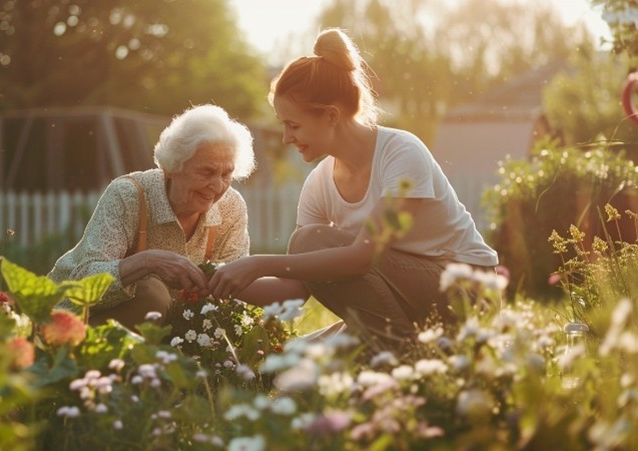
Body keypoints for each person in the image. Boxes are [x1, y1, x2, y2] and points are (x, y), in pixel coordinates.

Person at [208, 28, 498, 348]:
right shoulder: (319, 183)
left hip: (467, 294)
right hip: (402, 303)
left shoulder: (401, 153)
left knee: (310, 240)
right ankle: (389, 347)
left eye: (294, 124)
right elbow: (297, 288)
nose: (286, 138)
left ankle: (403, 352)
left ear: (331, 116)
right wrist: (213, 276)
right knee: (291, 370)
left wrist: (260, 262)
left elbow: (363, 256)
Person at [48, 104, 255, 329]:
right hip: (73, 321)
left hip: (164, 332)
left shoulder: (231, 207)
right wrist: (148, 261)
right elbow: (84, 281)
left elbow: (235, 287)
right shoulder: (129, 195)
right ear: (173, 166)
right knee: (152, 293)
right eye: (207, 172)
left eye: (227, 174)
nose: (217, 186)